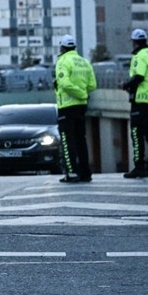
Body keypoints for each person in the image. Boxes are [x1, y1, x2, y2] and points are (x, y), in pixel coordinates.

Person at [54, 34, 96, 183]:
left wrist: (79, 93)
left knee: (67, 141)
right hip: (81, 107)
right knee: (81, 140)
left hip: (67, 107)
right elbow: (92, 85)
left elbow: (64, 84)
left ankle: (71, 173)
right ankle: (85, 173)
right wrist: (83, 94)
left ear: (62, 48)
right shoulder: (84, 62)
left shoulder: (63, 61)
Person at [123, 29, 148, 178]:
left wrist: (126, 85)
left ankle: (139, 166)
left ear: (134, 42)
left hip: (140, 101)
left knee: (136, 134)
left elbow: (139, 77)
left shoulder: (139, 56)